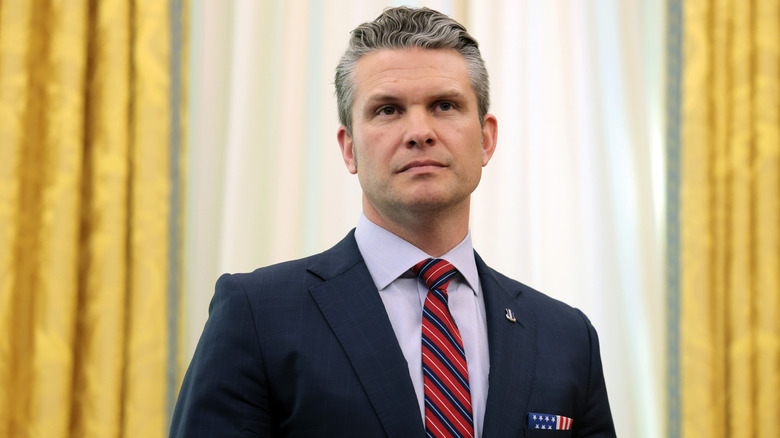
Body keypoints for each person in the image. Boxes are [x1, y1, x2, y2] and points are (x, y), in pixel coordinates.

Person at [170, 6, 615, 438]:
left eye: (444, 105)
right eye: (388, 110)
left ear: (486, 139)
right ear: (349, 149)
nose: (419, 132)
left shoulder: (567, 337)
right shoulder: (257, 315)